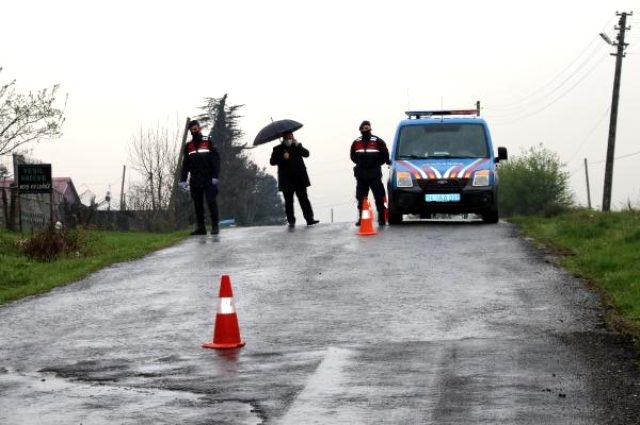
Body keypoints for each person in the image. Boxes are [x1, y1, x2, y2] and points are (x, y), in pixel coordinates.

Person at [179, 120, 221, 235]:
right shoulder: (188, 146)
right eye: (192, 129)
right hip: (195, 180)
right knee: (197, 204)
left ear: (199, 128)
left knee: (211, 201)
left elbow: (216, 159)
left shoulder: (208, 141)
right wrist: (183, 179)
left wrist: (215, 176)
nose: (194, 131)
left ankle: (215, 226)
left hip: (209, 178)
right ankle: (201, 228)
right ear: (190, 131)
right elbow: (185, 164)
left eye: (196, 128)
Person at [270, 131, 319, 228]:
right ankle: (291, 220)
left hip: (300, 178)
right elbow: (272, 162)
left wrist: (298, 146)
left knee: (304, 199)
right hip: (286, 180)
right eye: (287, 137)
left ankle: (309, 219)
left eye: (291, 137)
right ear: (283, 138)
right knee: (289, 201)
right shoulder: (278, 149)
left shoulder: (297, 146)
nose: (289, 139)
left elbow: (306, 154)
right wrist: (283, 158)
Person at [350, 120, 390, 226]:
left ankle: (382, 218)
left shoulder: (378, 141)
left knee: (379, 196)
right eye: (363, 128)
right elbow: (353, 157)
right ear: (360, 129)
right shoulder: (356, 142)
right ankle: (362, 219)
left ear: (370, 128)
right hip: (361, 175)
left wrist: (377, 164)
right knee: (361, 198)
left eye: (367, 127)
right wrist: (361, 164)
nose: (365, 129)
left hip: (374, 174)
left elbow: (385, 155)